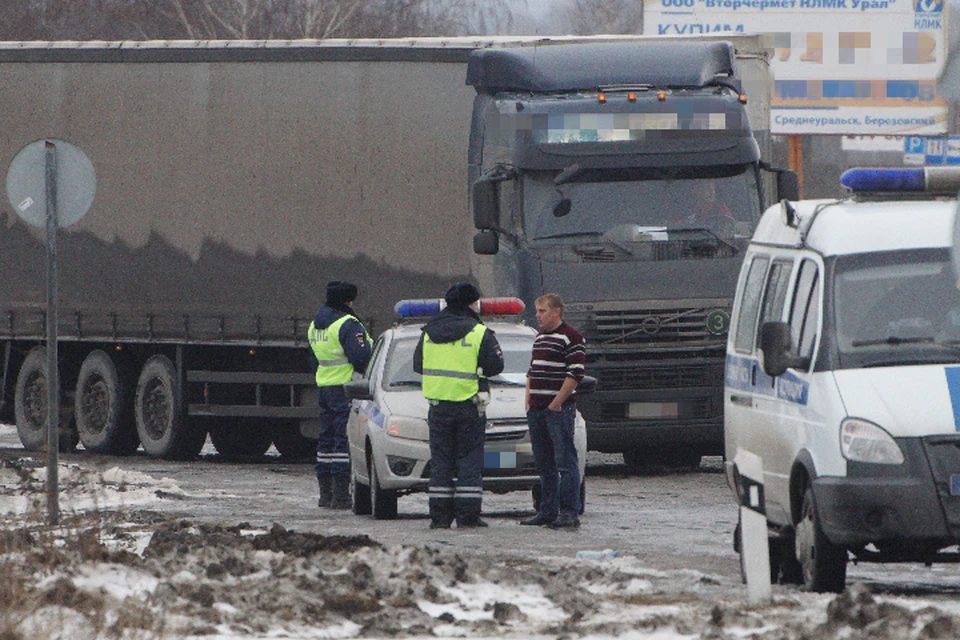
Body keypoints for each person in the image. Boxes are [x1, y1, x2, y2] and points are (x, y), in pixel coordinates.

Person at [414, 282, 504, 529]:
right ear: (470, 303)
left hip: (438, 407)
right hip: (469, 407)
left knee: (441, 462)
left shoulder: (429, 331)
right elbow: (496, 366)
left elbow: (417, 365)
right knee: (469, 462)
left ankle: (440, 518)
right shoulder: (477, 331)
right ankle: (468, 517)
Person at [521, 293, 586, 529]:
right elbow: (532, 370)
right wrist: (528, 397)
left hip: (557, 410)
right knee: (544, 463)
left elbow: (575, 373)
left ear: (556, 311)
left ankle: (569, 512)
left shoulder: (572, 337)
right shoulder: (540, 337)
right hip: (536, 409)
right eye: (537, 311)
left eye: (542, 311)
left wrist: (557, 402)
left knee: (566, 462)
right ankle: (547, 511)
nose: (537, 316)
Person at [308, 280, 372, 509]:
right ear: (348, 300)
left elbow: (313, 358)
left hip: (325, 386)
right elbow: (362, 357)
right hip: (345, 389)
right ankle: (342, 496)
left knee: (325, 441)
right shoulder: (348, 324)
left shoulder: (316, 325)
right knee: (342, 440)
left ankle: (326, 495)